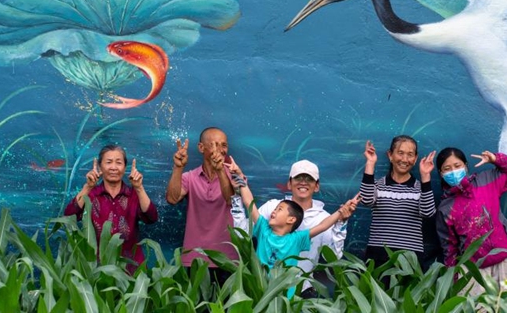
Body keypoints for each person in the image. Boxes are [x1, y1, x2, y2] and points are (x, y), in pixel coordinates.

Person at [229, 158, 358, 299]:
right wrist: (240, 180)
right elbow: (248, 208)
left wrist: (341, 220)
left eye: (309, 179)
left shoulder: (320, 220)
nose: (303, 182)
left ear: (317, 186)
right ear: (289, 184)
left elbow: (333, 254)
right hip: (261, 288)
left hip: (299, 292)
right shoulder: (271, 209)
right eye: (298, 178)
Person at [435, 147, 507, 296]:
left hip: (505, 260)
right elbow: (449, 248)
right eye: (447, 169)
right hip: (474, 270)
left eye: (457, 166)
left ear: (465, 166)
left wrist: (496, 159)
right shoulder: (445, 209)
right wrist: (453, 279)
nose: (453, 171)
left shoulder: (487, 180)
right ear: (441, 174)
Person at [64, 144, 158, 271]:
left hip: (131, 270)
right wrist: (88, 187)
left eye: (118, 163)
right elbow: (69, 217)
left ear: (125, 167)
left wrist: (139, 188)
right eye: (108, 162)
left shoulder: (134, 195)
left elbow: (152, 218)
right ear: (100, 167)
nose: (113, 167)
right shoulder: (91, 195)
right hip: (97, 269)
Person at [166, 127, 236, 284]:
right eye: (214, 144)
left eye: (223, 145)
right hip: (195, 259)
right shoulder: (189, 177)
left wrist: (220, 172)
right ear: (201, 147)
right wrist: (178, 167)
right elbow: (172, 199)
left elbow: (231, 200)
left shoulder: (235, 174)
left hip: (228, 259)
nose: (220, 150)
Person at [359, 136, 436, 267]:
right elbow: (366, 200)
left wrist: (425, 177)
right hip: (378, 256)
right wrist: (370, 163)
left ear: (416, 159)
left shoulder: (421, 188)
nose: (405, 159)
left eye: (410, 155)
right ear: (390, 155)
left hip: (410, 258)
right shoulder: (378, 185)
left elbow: (428, 212)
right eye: (400, 153)